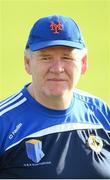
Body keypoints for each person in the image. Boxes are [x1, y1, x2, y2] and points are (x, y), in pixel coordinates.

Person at [0, 14, 110, 179]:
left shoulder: (101, 113)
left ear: (84, 63)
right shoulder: (4, 122)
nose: (57, 68)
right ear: (27, 63)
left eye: (67, 57)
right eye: (46, 57)